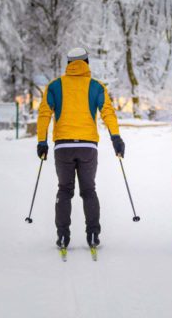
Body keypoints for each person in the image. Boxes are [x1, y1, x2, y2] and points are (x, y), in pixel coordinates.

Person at [36, 47, 125, 250]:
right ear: (86, 62)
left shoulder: (54, 86)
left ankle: (62, 237)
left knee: (64, 191)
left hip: (63, 147)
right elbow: (108, 113)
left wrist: (42, 141)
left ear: (69, 64)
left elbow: (44, 114)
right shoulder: (96, 86)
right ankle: (93, 234)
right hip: (87, 147)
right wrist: (116, 137)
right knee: (89, 190)